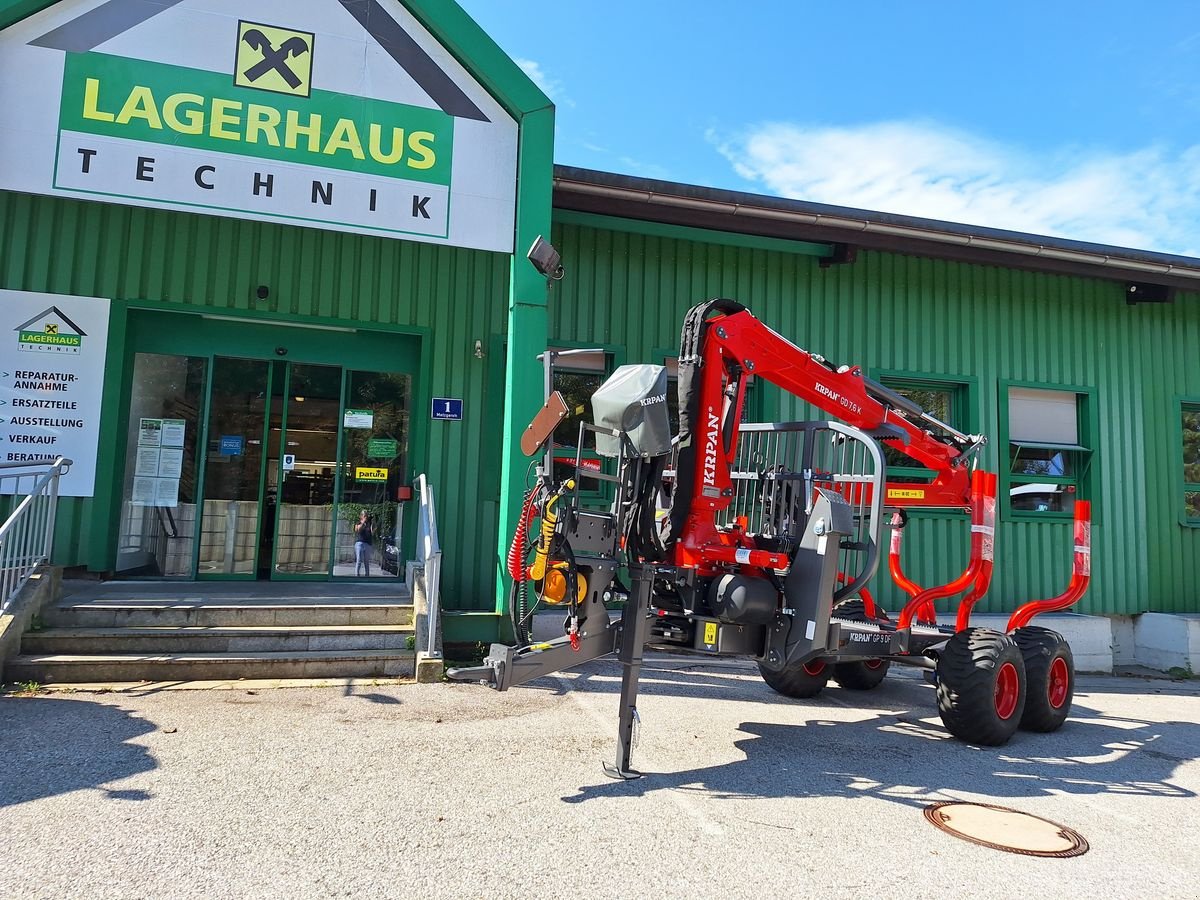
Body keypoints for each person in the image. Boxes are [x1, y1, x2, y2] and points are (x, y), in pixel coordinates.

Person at [354, 510, 374, 577]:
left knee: (366, 561)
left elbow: (372, 532)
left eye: (366, 515)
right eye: (364, 515)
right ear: (361, 516)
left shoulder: (369, 523)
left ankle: (367, 575)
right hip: (359, 543)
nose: (365, 517)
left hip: (367, 543)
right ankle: (357, 575)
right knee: (359, 560)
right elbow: (357, 530)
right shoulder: (358, 523)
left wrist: (373, 524)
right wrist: (363, 523)